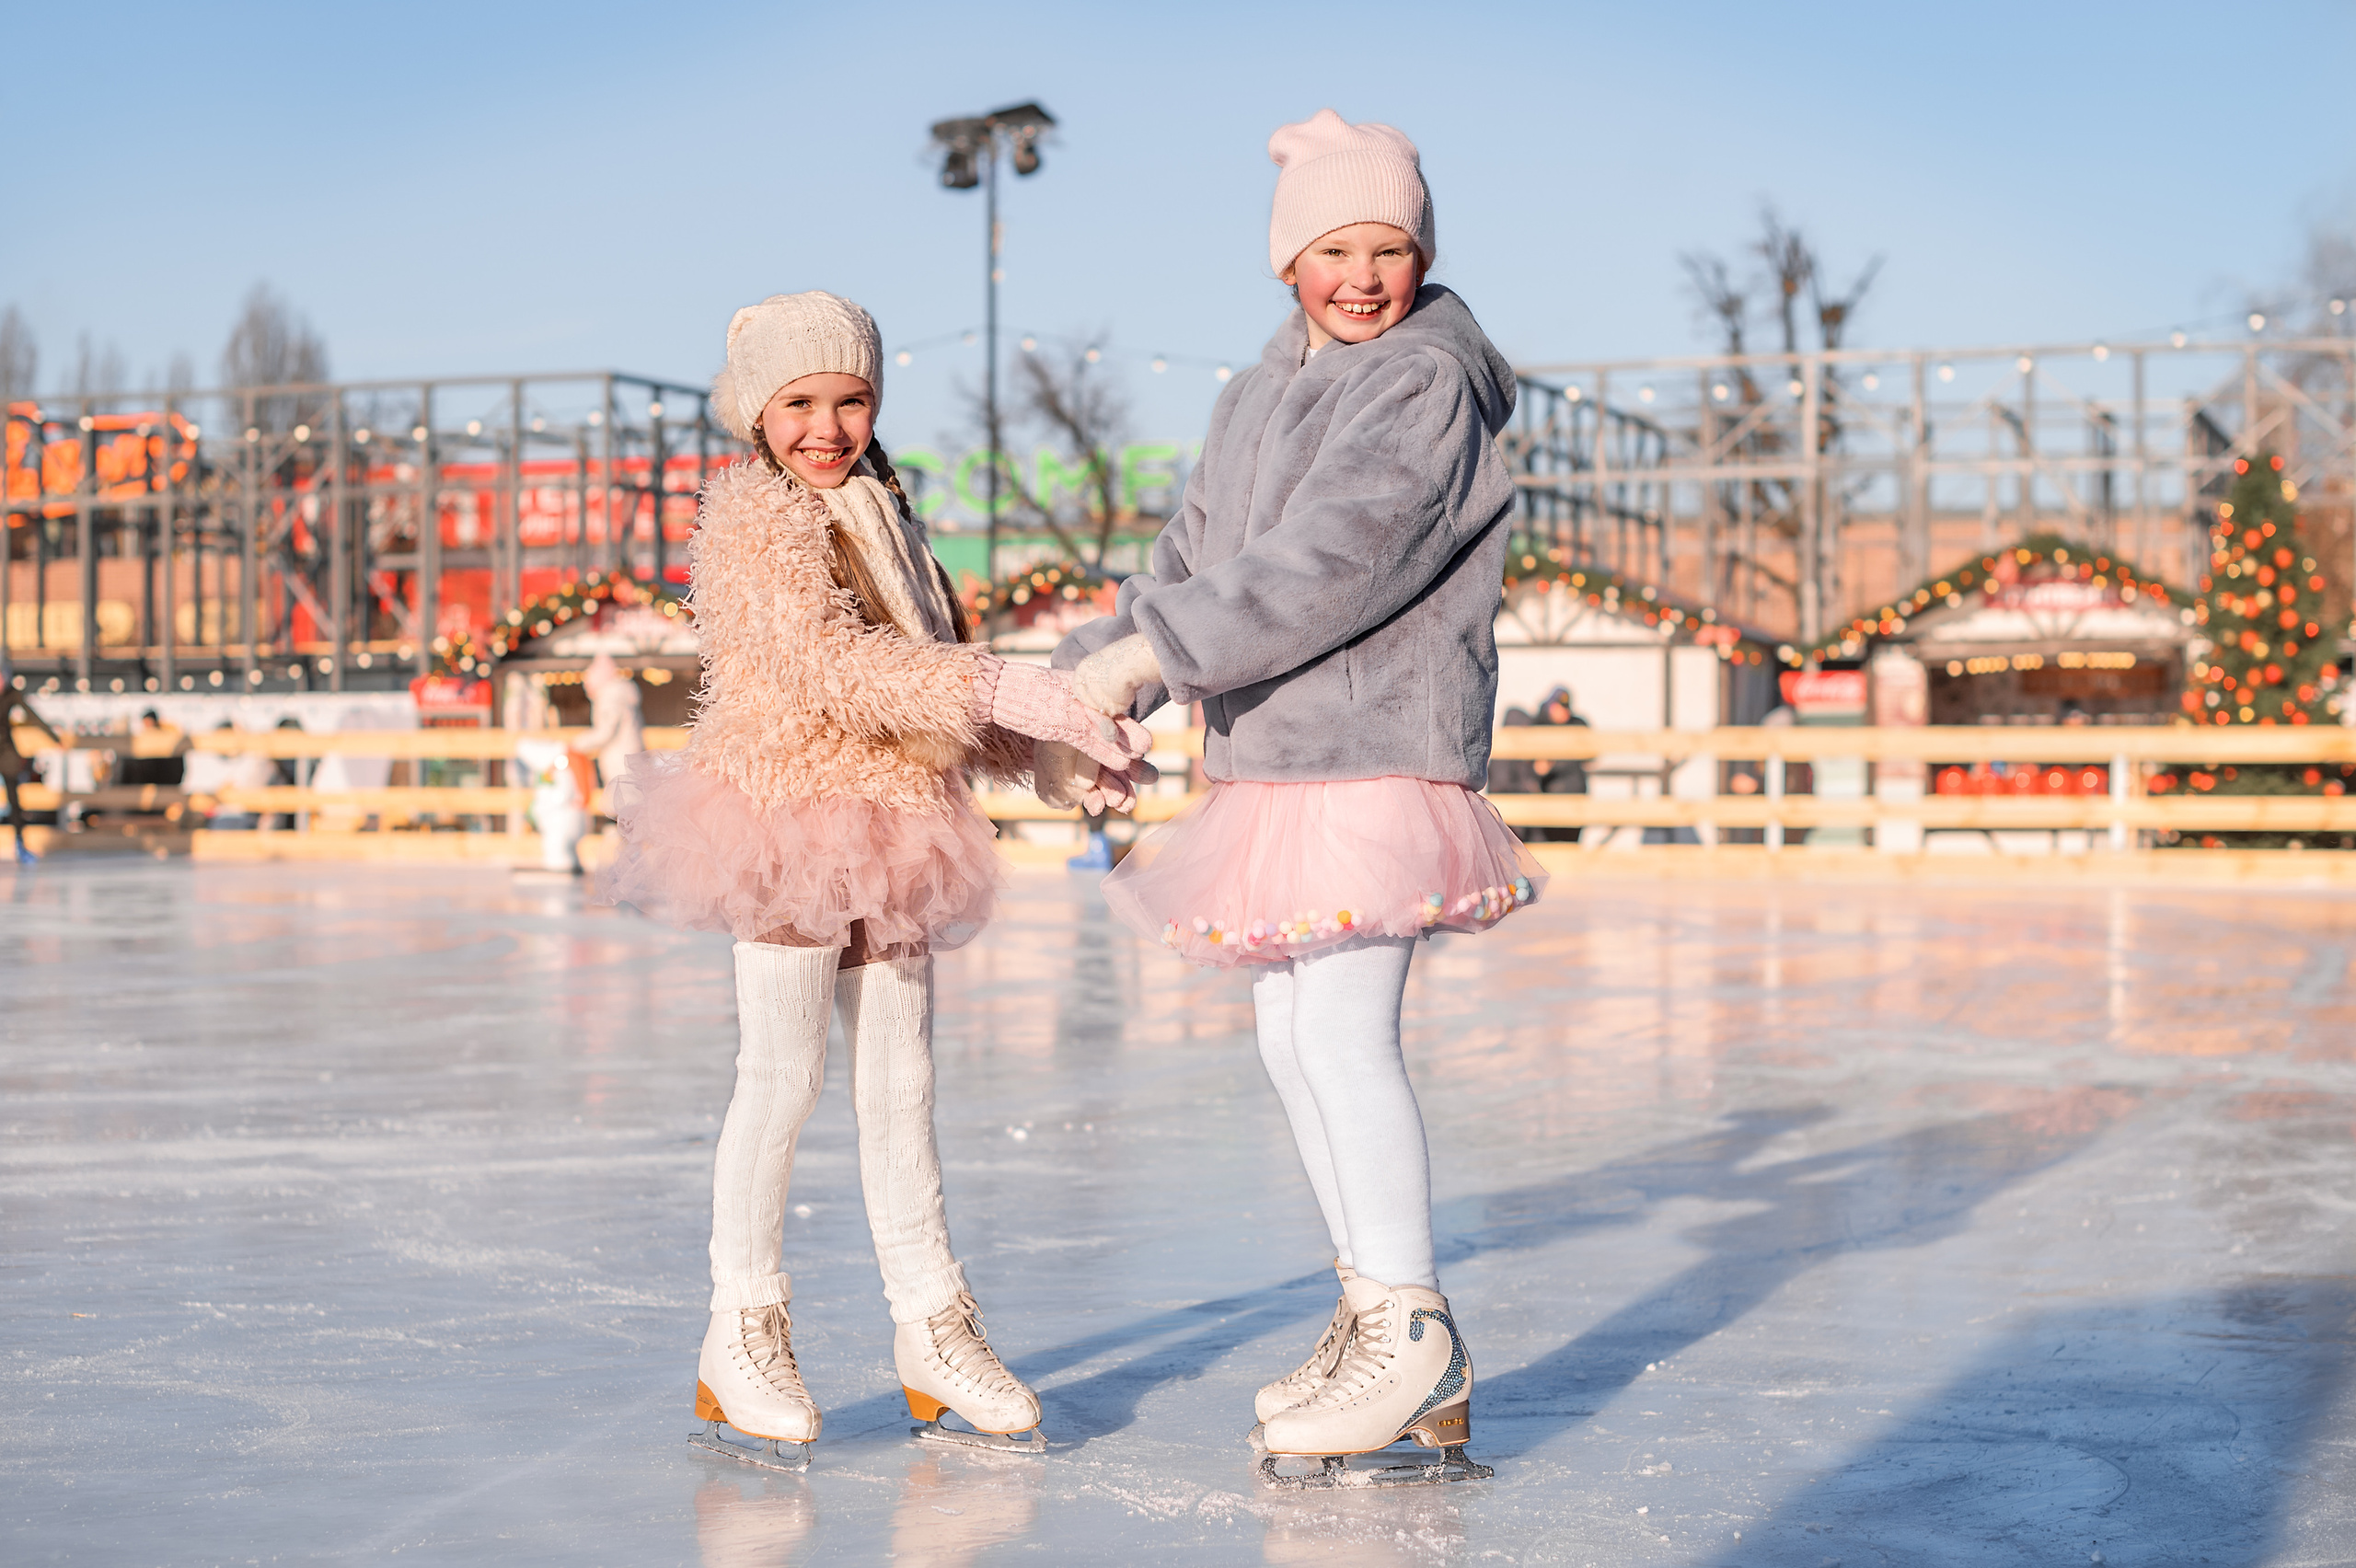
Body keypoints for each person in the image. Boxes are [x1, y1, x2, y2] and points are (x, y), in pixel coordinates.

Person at [1048, 110, 1540, 1483]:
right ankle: (1370, 1311)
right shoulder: (1259, 392)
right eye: (1337, 249)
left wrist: (1158, 657)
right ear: (1289, 262)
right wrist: (1090, 678)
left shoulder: (1423, 383)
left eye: (1392, 247)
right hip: (1275, 751)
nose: (1366, 276)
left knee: (1343, 1040)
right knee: (1289, 1040)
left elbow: (1340, 558)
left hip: (1375, 742)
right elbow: (1193, 549)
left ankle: (1412, 1324)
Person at [598, 291, 1148, 1468]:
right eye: (798, 402)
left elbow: (924, 683)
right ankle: (739, 1327)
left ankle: (931, 1331)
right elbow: (827, 665)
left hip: (897, 821)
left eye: (849, 399)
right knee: (783, 1076)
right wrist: (1010, 688)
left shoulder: (885, 513)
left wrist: (1053, 752)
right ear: (755, 411)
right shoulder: (751, 517)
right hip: (790, 816)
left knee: (901, 1088)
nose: (826, 425)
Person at [569, 652, 643, 813]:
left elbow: (605, 731)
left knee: (623, 808)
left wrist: (578, 744)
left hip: (619, 761)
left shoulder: (610, 697)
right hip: (628, 759)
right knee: (628, 806)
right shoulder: (621, 694)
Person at [2, 667, 62, 862]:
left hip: (6, 752)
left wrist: (54, 737)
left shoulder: (12, 694)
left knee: (14, 799)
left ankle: (20, 844)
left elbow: (32, 715)